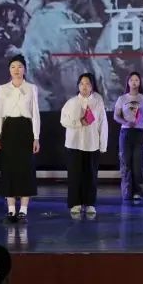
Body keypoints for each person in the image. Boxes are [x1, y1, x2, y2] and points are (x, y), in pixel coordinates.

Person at [0, 54, 42, 223]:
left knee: (25, 169)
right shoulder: (3, 88)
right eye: (13, 67)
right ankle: (11, 209)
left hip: (25, 129)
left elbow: (35, 114)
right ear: (9, 70)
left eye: (20, 67)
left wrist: (36, 137)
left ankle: (23, 209)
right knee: (8, 169)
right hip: (8, 129)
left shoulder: (31, 88)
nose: (16, 70)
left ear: (25, 70)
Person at [60, 72, 108, 216]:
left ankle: (90, 204)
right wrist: (78, 122)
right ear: (78, 86)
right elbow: (63, 120)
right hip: (74, 144)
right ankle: (75, 203)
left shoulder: (98, 101)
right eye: (81, 84)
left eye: (87, 83)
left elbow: (103, 123)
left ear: (92, 86)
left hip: (91, 144)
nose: (84, 86)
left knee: (91, 176)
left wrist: (103, 144)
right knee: (75, 175)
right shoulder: (71, 102)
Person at [112, 71, 143, 201]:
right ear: (128, 82)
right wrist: (125, 122)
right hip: (125, 133)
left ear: (140, 83)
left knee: (138, 164)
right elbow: (116, 116)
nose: (134, 82)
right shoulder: (122, 99)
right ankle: (126, 192)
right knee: (126, 163)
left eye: (137, 80)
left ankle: (138, 192)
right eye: (132, 80)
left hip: (140, 133)